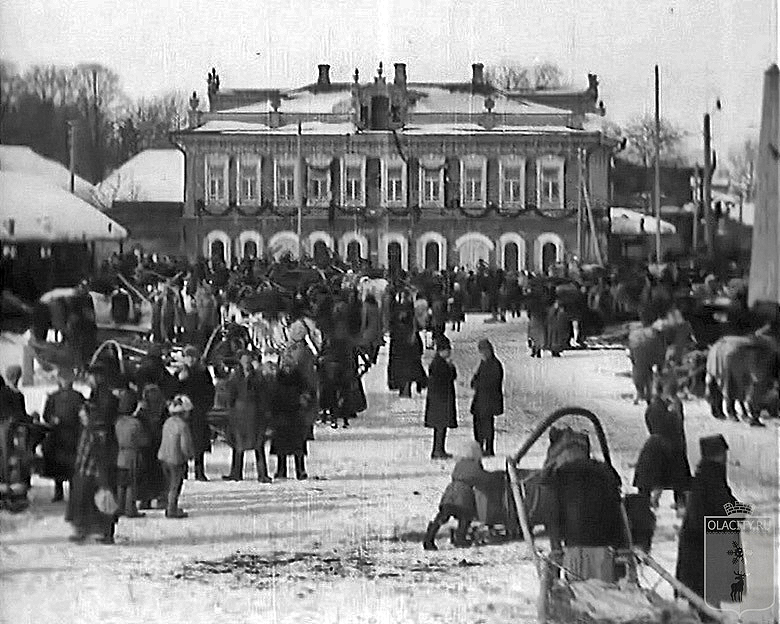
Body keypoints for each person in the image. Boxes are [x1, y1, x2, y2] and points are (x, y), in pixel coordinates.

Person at [676, 435, 738, 605]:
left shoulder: (705, 475)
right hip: (705, 546)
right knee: (707, 597)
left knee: (700, 596)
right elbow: (726, 507)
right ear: (719, 455)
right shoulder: (712, 478)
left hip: (700, 544)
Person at [422, 441, 493, 550]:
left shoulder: (459, 464)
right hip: (463, 495)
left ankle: (429, 537)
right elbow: (481, 478)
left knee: (443, 515)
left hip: (450, 492)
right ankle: (460, 537)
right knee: (465, 517)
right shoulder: (475, 465)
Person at [66, 401, 118, 544]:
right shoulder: (87, 429)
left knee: (96, 503)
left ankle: (102, 533)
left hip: (93, 472)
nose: (81, 418)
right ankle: (84, 530)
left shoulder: (97, 431)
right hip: (84, 471)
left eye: (83, 416)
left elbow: (100, 454)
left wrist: (101, 475)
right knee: (84, 503)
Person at [222, 351, 272, 483]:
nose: (246, 363)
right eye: (244, 360)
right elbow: (230, 395)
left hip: (255, 413)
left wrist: (264, 411)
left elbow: (263, 394)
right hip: (239, 414)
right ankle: (236, 472)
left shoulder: (257, 377)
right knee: (238, 444)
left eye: (248, 360)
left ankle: (262, 474)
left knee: (258, 444)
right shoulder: (235, 376)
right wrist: (230, 410)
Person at [41, 369, 84, 503]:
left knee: (72, 465)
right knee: (58, 465)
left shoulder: (78, 396)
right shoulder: (53, 397)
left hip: (73, 435)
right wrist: (52, 419)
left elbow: (83, 415)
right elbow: (46, 415)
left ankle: (73, 492)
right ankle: (58, 491)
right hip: (58, 435)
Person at [177, 345, 215, 481]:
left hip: (198, 411)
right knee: (183, 441)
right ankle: (184, 470)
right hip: (184, 412)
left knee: (199, 442)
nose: (190, 360)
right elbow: (174, 389)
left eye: (192, 357)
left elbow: (210, 391)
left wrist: (204, 406)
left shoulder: (203, 372)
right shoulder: (181, 373)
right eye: (187, 357)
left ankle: (199, 470)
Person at [157, 395, 195, 518]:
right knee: (175, 485)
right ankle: (172, 509)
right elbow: (185, 445)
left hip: (164, 457)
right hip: (176, 459)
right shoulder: (183, 426)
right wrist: (189, 455)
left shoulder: (167, 422)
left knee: (168, 484)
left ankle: (166, 503)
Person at [114, 389, 148, 518]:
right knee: (130, 484)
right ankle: (130, 509)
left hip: (119, 455)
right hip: (131, 455)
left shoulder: (117, 422)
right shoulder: (135, 423)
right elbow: (143, 440)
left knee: (120, 483)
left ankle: (119, 507)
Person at [424, 337, 458, 460]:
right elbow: (448, 377)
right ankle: (438, 450)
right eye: (447, 350)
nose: (449, 353)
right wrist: (451, 367)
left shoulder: (438, 362)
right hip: (440, 400)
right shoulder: (440, 364)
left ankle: (439, 449)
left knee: (441, 428)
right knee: (440, 427)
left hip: (439, 400)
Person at [470, 339, 504, 457]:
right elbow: (475, 379)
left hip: (489, 400)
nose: (482, 354)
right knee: (478, 425)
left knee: (487, 425)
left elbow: (492, 382)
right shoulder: (483, 363)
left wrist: (477, 383)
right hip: (480, 400)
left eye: (484, 351)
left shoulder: (495, 364)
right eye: (481, 351)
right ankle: (480, 446)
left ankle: (489, 448)